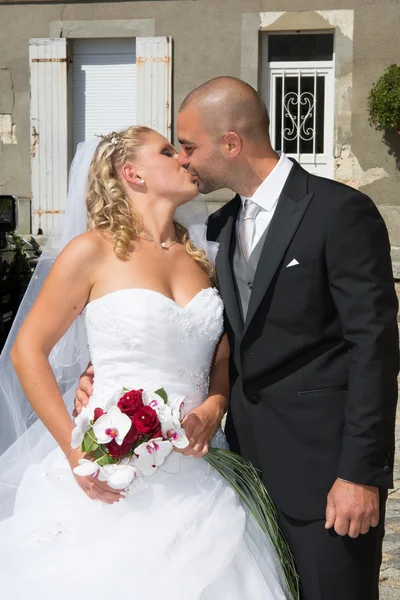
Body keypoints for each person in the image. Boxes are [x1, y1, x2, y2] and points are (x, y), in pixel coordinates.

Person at [75, 76, 398, 600]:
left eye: (188, 146)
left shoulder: (339, 212)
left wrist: (360, 474)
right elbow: (202, 332)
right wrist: (106, 373)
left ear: (230, 143)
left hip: (325, 477)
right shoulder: (215, 228)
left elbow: (375, 350)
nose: (183, 160)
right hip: (235, 473)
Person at [0, 126, 292, 599]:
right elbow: (26, 350)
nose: (183, 158)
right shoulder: (92, 251)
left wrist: (215, 404)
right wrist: (76, 455)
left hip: (197, 474)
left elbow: (221, 354)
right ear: (131, 173)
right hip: (111, 466)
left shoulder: (204, 258)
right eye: (166, 151)